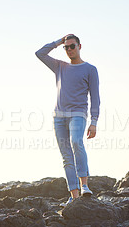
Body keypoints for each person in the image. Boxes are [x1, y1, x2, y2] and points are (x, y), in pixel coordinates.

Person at [35, 34, 100, 205]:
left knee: (77, 142)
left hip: (78, 114)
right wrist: (58, 42)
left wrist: (94, 122)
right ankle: (74, 195)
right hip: (59, 117)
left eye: (72, 46)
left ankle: (84, 185)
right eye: (67, 47)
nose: (69, 50)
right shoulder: (59, 66)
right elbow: (39, 53)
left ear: (80, 46)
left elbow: (95, 97)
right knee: (66, 156)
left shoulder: (90, 69)